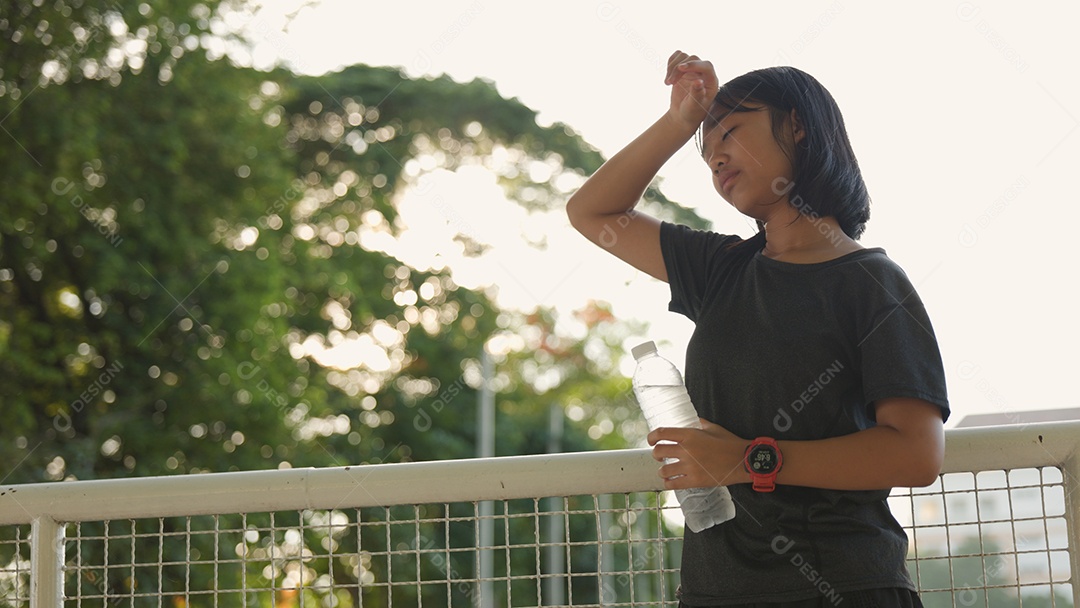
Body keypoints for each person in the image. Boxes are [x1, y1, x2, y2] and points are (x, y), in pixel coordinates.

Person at [566, 51, 950, 607]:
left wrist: (750, 459)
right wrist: (680, 121)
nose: (714, 157)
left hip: (846, 587)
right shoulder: (719, 269)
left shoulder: (874, 283)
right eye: (705, 148)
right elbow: (591, 213)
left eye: (730, 132)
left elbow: (917, 455)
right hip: (714, 591)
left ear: (796, 125)